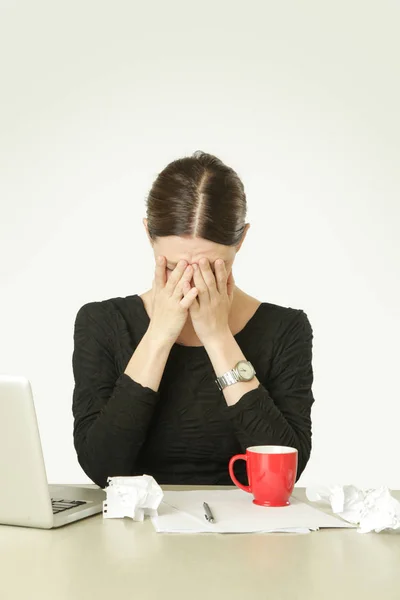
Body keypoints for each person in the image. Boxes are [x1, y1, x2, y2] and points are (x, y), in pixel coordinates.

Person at [72, 151, 315, 489]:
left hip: (245, 533)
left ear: (241, 240)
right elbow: (102, 468)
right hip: (136, 532)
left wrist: (218, 338)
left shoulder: (285, 329)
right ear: (148, 235)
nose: (190, 283)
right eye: (172, 268)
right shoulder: (101, 322)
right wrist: (158, 335)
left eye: (211, 269)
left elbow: (285, 471)